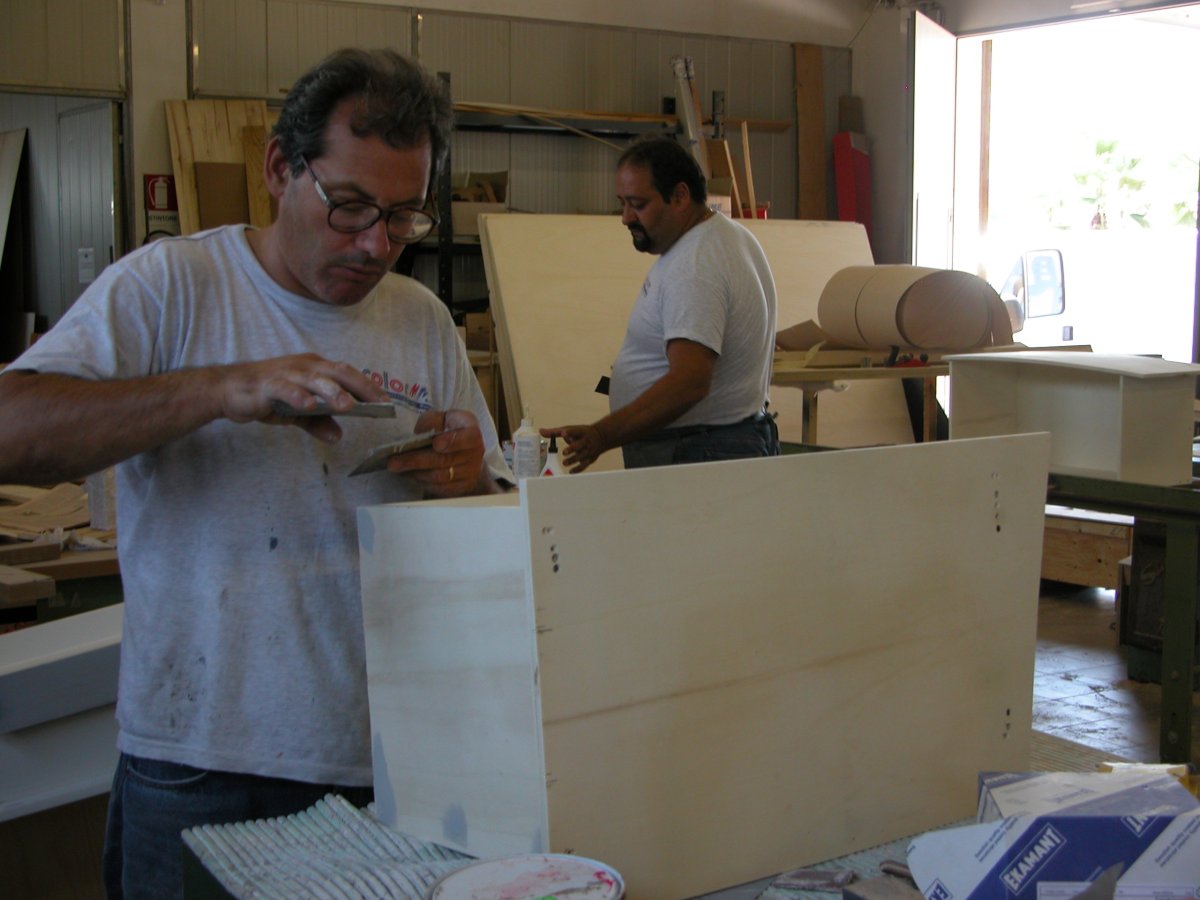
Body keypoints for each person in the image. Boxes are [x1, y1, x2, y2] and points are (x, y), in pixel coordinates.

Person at [0, 48, 511, 898]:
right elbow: (12, 427)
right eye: (350, 207)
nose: (375, 244)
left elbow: (491, 514)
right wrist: (220, 388)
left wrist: (470, 482)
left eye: (402, 218)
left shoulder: (420, 319)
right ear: (280, 169)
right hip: (203, 761)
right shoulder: (172, 287)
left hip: (384, 761)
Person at [540, 135, 780, 471]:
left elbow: (689, 382)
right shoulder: (727, 236)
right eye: (623, 203)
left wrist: (602, 435)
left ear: (680, 196)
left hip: (698, 451)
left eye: (638, 204)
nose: (626, 218)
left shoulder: (695, 264)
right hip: (712, 444)